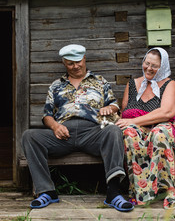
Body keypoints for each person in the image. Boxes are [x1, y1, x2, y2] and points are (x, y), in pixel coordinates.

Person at [21, 44, 134, 212]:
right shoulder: (56, 85)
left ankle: (114, 192)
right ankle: (46, 191)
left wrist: (109, 109)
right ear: (64, 64)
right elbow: (46, 115)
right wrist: (55, 126)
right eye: (70, 63)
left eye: (78, 62)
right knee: (29, 136)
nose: (76, 66)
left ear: (84, 59)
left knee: (113, 131)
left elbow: (114, 105)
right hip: (63, 135)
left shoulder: (99, 81)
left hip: (93, 133)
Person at [115, 47, 175, 209]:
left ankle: (168, 190)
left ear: (162, 67)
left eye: (154, 66)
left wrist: (135, 121)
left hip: (162, 127)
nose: (149, 68)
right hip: (138, 130)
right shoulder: (132, 84)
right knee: (129, 133)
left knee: (159, 133)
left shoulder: (169, 84)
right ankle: (140, 192)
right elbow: (124, 112)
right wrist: (129, 123)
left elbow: (167, 111)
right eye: (147, 63)